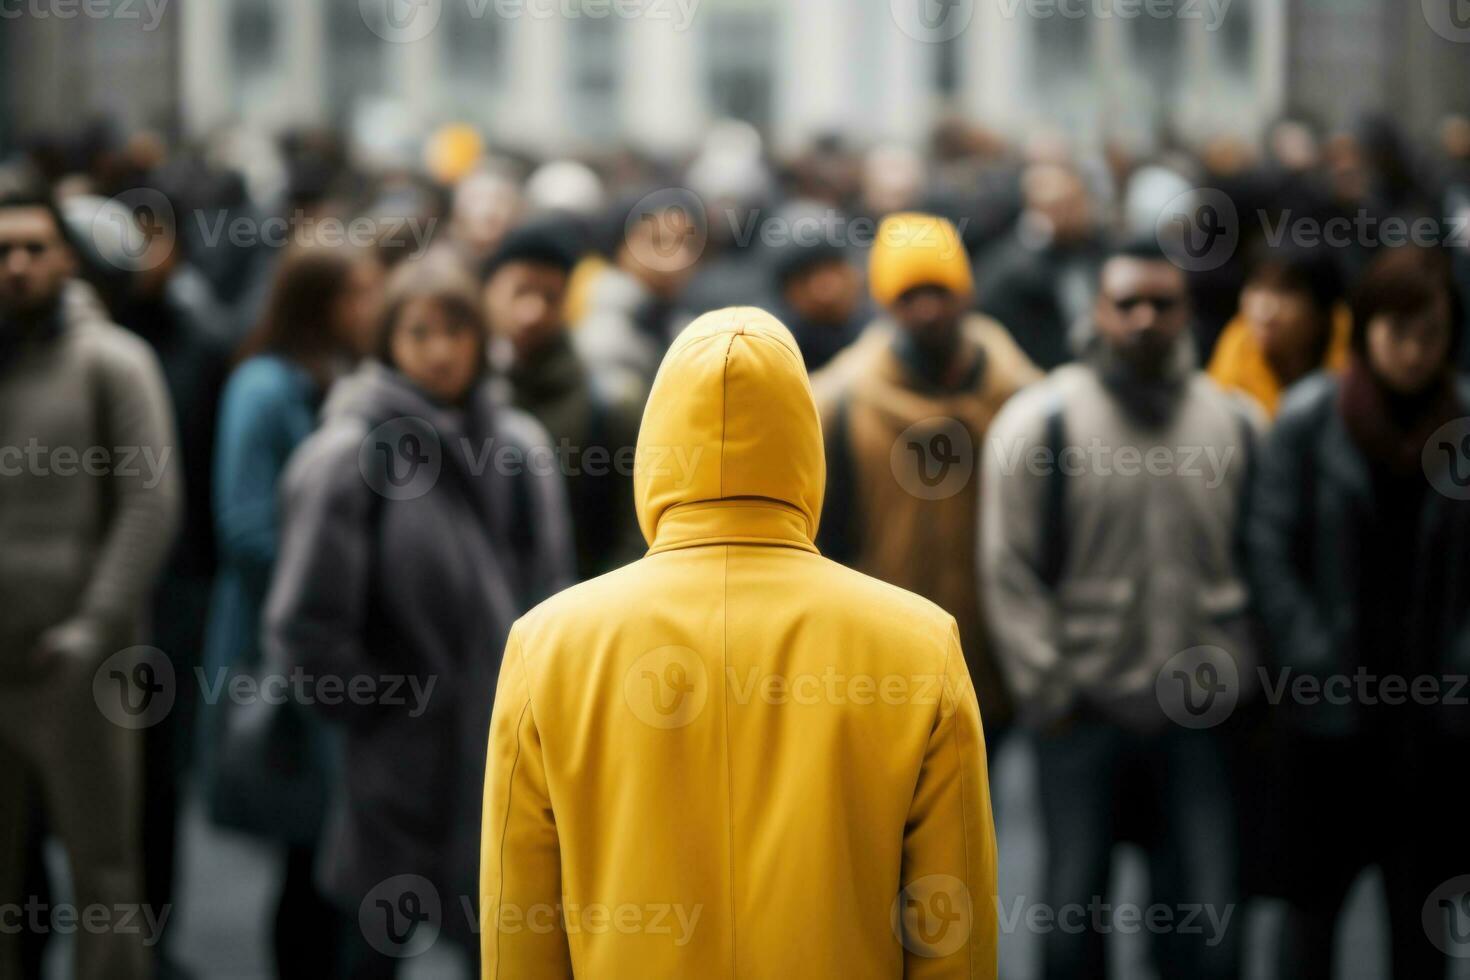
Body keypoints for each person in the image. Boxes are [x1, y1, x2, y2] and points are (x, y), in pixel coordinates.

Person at [480, 307, 998, 978]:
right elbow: (951, 926)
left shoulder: (548, 644)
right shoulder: (919, 642)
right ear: (804, 443)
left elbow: (518, 921)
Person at [267, 255, 573, 978]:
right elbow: (306, 625)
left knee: (505, 947)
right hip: (399, 761)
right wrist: (385, 711)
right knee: (372, 946)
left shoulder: (517, 447)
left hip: (506, 756)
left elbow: (554, 595)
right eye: (419, 331)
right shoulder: (349, 454)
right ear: (388, 343)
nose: (441, 349)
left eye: (457, 329)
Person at [981, 239, 1258, 980]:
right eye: (1126, 303)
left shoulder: (1234, 424)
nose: (1144, 319)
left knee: (1205, 930)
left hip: (1201, 722)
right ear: (1097, 312)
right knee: (1073, 919)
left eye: (1161, 304)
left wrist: (1241, 674)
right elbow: (1008, 571)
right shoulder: (1041, 424)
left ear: (1187, 312)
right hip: (1083, 717)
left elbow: (1263, 561)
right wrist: (1054, 692)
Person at [1248, 246, 1470, 980]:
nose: (1412, 352)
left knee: (1423, 923)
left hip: (1433, 723)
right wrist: (1312, 664)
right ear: (1366, 329)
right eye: (1396, 331)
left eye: (1430, 334)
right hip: (1329, 716)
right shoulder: (1312, 417)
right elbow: (1270, 550)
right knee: (1310, 916)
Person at [0, 187, 181, 980]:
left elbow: (151, 502)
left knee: (103, 873)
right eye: (3, 251)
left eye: (35, 248)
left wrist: (93, 624)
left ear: (67, 256)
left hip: (82, 665)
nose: (17, 266)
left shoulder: (111, 360)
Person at [199, 241, 383, 980]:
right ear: (321, 301)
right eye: (361, 291)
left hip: (331, 643)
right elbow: (245, 524)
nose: (376, 304)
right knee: (304, 845)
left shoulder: (346, 379)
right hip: (275, 643)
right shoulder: (265, 386)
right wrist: (329, 592)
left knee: (331, 849)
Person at [815, 212, 1040, 740]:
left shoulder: (1022, 399)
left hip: (998, 659)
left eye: (940, 291)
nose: (928, 310)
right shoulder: (840, 405)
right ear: (885, 303)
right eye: (909, 295)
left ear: (966, 293)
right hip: (886, 666)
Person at [480, 221, 643, 578]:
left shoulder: (608, 405)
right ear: (489, 292)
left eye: (549, 296)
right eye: (520, 291)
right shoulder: (459, 395)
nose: (532, 311)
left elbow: (634, 539)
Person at [572, 193, 699, 415]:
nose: (679, 257)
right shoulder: (603, 330)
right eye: (658, 241)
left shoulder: (675, 320)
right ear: (621, 247)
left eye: (687, 243)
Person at [974, 162, 1105, 371]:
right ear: (1034, 209)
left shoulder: (1097, 248)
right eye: (1058, 207)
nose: (1071, 215)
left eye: (1076, 204)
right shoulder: (1007, 270)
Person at [1208, 242, 1351, 417]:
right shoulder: (1228, 379)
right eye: (1256, 286)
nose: (1264, 310)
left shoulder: (1355, 371)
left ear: (1322, 311)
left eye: (1285, 291)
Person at [768, 223, 868, 373]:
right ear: (788, 292)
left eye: (832, 271)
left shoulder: (883, 327)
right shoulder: (777, 345)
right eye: (805, 278)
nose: (825, 290)